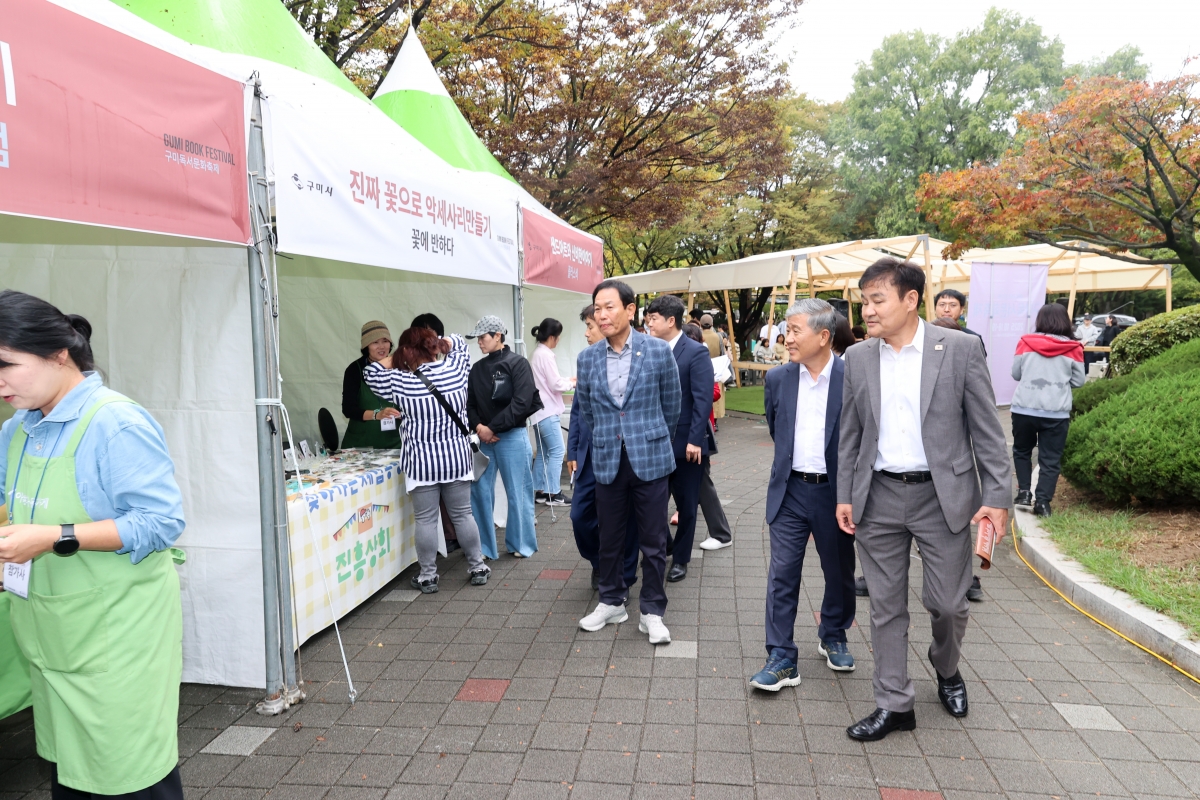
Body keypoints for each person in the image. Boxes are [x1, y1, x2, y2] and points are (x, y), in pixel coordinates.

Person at [0, 290, 187, 797]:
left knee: (129, 774)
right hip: (54, 636)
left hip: (118, 636)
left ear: (59, 353)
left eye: (6, 364)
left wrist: (54, 537)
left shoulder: (114, 423)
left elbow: (161, 521)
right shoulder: (17, 430)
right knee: (73, 777)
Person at [837, 257, 1009, 741]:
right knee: (885, 606)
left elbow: (988, 433)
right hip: (879, 496)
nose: (867, 311)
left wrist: (997, 497)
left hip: (945, 497)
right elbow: (849, 434)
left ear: (911, 300)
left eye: (878, 300)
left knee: (949, 605)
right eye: (864, 300)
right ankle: (894, 704)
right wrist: (846, 494)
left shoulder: (958, 349)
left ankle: (946, 667)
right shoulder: (858, 358)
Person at [751, 299, 857, 691]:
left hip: (836, 493)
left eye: (795, 331)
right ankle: (780, 656)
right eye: (787, 329)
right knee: (782, 573)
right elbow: (777, 430)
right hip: (790, 491)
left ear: (824, 336)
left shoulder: (853, 378)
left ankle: (833, 632)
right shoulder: (779, 379)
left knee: (840, 571)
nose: (786, 338)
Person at [576, 280, 681, 645]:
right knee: (610, 537)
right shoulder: (587, 357)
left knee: (653, 540)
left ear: (630, 310)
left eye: (609, 307)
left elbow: (672, 405)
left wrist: (648, 437)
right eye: (597, 309)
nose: (601, 315)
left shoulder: (656, 351)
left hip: (650, 458)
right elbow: (587, 410)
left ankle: (652, 611)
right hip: (607, 457)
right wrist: (611, 437)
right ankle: (611, 600)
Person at [363, 328, 491, 592]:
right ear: (433, 347)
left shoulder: (400, 381)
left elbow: (371, 372)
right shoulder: (456, 370)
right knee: (463, 515)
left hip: (421, 463)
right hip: (456, 458)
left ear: (407, 351)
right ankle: (477, 566)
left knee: (425, 520)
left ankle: (428, 575)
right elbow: (460, 344)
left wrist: (398, 355)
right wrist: (442, 343)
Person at [567, 305, 641, 590]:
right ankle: (600, 562)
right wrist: (572, 452)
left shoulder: (635, 359)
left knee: (627, 520)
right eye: (587, 325)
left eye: (590, 326)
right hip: (590, 457)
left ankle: (625, 574)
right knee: (580, 517)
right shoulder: (586, 361)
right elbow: (577, 413)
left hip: (626, 455)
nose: (587, 333)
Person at [645, 295, 714, 584]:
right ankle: (667, 545)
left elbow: (702, 400)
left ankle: (681, 558)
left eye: (653, 318)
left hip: (687, 444)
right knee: (651, 502)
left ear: (671, 321)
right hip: (654, 442)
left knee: (686, 505)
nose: (648, 323)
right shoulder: (647, 350)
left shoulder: (695, 352)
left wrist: (695, 440)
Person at [466, 316, 542, 559]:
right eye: (477, 338)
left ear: (497, 335)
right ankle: (483, 547)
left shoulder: (518, 363)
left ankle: (521, 543)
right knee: (480, 493)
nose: (479, 342)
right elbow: (470, 405)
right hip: (485, 438)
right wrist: (479, 427)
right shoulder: (477, 369)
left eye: (483, 337)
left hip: (511, 436)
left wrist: (490, 428)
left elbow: (521, 403)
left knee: (517, 492)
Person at [1011, 304, 1086, 518]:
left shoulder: (1025, 342)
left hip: (1024, 408)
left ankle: (1024, 492)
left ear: (1040, 320)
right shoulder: (1074, 347)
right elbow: (1079, 381)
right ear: (1065, 321)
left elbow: (1016, 374)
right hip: (1056, 411)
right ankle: (1042, 503)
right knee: (1050, 459)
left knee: (1022, 451)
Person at [681, 324, 733, 552]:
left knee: (702, 482)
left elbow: (712, 392)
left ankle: (721, 533)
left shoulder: (698, 356)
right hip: (691, 432)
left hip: (698, 432)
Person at [529, 318, 575, 507]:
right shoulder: (546, 355)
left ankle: (539, 490)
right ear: (551, 337)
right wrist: (572, 382)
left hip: (538, 412)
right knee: (557, 451)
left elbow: (549, 381)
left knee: (543, 452)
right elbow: (555, 384)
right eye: (558, 336)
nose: (558, 340)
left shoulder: (537, 353)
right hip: (547, 411)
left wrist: (567, 379)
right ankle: (553, 493)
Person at [340, 320, 402, 449]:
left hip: (396, 444)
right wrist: (376, 415)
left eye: (385, 340)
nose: (381, 346)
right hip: (361, 445)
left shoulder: (401, 367)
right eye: (375, 342)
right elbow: (348, 409)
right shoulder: (355, 370)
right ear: (366, 345)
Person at [933, 289, 986, 356]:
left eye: (953, 305)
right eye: (942, 304)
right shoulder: (923, 333)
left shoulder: (972, 338)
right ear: (935, 308)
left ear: (961, 310)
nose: (946, 309)